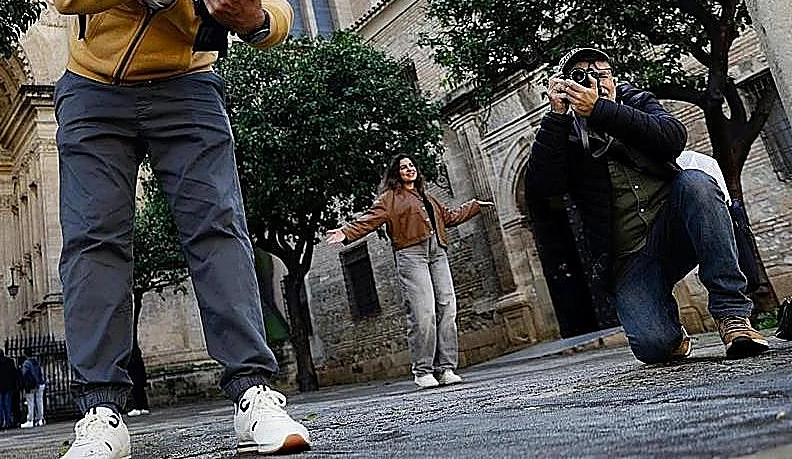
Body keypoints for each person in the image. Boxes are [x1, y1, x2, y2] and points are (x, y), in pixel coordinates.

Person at [51, 0, 310, 459]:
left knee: (219, 227)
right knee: (94, 240)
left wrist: (252, 17)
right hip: (93, 91)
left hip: (187, 90)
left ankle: (255, 396)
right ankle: (103, 415)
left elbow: (274, 10)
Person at [525, 47, 769, 363]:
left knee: (696, 183)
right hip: (630, 258)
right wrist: (556, 117)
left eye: (601, 74)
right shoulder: (564, 131)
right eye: (582, 76)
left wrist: (601, 110)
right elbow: (542, 188)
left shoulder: (636, 102)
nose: (594, 83)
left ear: (613, 78)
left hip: (675, 229)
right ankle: (669, 332)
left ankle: (732, 316)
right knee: (654, 347)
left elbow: (673, 137)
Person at [325, 154, 493, 389]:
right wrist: (346, 232)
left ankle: (446, 368)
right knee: (424, 313)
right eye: (403, 167)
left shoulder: (428, 197)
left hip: (437, 253)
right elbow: (369, 220)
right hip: (411, 255)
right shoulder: (389, 199)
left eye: (412, 165)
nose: (409, 169)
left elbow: (450, 217)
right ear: (396, 173)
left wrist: (474, 206)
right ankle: (423, 370)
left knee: (447, 307)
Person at [19, 349, 46, 429]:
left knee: (30, 403)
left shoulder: (27, 363)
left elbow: (24, 373)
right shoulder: (36, 361)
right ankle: (40, 419)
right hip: (40, 383)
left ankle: (30, 420)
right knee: (39, 402)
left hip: (32, 385)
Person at [125, 342, 150, 417]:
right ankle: (143, 406)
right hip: (137, 369)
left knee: (135, 387)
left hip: (134, 369)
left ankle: (137, 407)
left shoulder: (130, 351)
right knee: (139, 387)